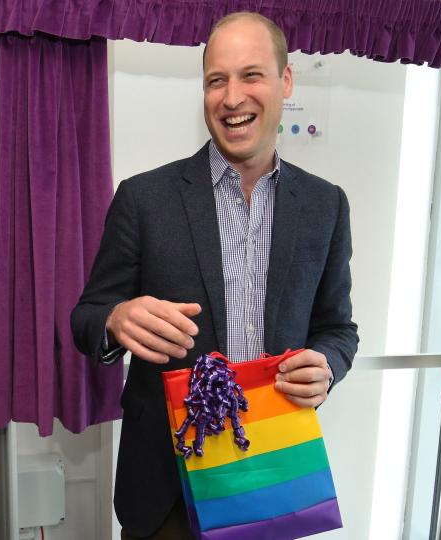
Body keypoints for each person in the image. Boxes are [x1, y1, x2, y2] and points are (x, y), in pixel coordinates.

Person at [70, 12, 358, 539]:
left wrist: (329, 366)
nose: (232, 98)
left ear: (285, 81)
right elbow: (86, 319)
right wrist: (116, 319)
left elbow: (338, 328)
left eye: (251, 75)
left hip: (273, 477)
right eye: (216, 80)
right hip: (166, 490)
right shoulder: (143, 199)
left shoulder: (325, 205)